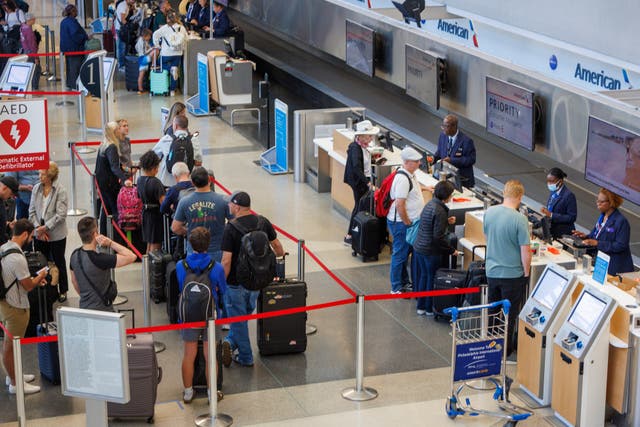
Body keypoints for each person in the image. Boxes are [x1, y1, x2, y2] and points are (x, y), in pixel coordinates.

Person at [221, 191, 285, 367]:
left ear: (237, 207)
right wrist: (280, 261)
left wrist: (220, 283)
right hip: (257, 280)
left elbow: (226, 261)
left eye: (230, 204)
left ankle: (245, 356)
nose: (228, 206)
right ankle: (231, 342)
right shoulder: (262, 222)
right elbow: (277, 246)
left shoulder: (230, 228)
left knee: (238, 319)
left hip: (235, 283)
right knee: (243, 315)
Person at [177, 226, 227, 404]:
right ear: (208, 244)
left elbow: (180, 285)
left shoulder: (180, 265)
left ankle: (188, 392)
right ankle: (211, 393)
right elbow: (223, 290)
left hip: (189, 316)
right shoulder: (217, 267)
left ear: (191, 244)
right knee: (210, 356)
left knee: (188, 355)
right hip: (210, 316)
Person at [483, 179, 531, 355]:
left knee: (493, 312)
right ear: (520, 197)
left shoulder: (490, 212)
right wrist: (526, 273)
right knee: (508, 316)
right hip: (512, 275)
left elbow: (487, 236)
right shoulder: (520, 219)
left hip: (492, 271)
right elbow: (525, 250)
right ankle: (505, 350)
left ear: (504, 193)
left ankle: (490, 346)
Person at [0, 219, 48, 395]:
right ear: (25, 234)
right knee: (10, 346)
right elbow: (27, 285)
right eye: (31, 236)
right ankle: (15, 383)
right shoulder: (18, 258)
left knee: (11, 344)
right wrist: (40, 275)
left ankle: (13, 375)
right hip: (16, 307)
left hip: (5, 303)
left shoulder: (4, 247)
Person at [69, 216, 137, 312]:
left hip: (84, 308)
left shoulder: (74, 255)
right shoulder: (101, 259)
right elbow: (131, 256)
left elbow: (74, 281)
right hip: (103, 310)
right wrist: (110, 243)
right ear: (95, 234)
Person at [413, 181, 458, 316]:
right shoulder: (440, 210)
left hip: (419, 247)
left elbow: (429, 224)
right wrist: (451, 250)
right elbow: (438, 237)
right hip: (430, 251)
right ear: (447, 196)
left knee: (424, 276)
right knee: (431, 278)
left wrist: (445, 221)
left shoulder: (430, 204)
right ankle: (428, 308)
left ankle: (421, 306)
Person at [28, 162, 70, 303]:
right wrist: (38, 229)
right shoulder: (36, 189)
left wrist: (45, 228)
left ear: (50, 176)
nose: (39, 176)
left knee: (59, 261)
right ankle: (46, 289)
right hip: (39, 234)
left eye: (42, 174)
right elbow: (31, 211)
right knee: (41, 262)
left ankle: (63, 290)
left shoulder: (60, 190)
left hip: (56, 234)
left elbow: (61, 214)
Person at [386, 146, 425, 294]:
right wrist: (407, 222)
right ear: (407, 162)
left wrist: (426, 189)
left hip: (406, 222)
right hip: (401, 223)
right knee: (400, 255)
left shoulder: (410, 175)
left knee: (403, 254)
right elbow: (400, 204)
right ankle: (396, 287)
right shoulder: (403, 179)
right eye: (416, 161)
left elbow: (413, 189)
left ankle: (403, 282)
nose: (419, 163)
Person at [172, 167, 231, 261]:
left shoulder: (184, 202)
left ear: (192, 182)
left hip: (194, 251)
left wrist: (190, 233)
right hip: (217, 250)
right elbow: (233, 223)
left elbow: (175, 228)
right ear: (209, 180)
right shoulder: (223, 200)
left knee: (194, 275)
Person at [573, 188, 634, 275]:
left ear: (611, 203)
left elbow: (620, 245)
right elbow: (596, 235)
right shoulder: (602, 216)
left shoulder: (621, 221)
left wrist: (597, 243)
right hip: (600, 262)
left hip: (615, 268)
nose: (598, 203)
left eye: (601, 202)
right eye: (597, 200)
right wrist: (586, 237)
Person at [343, 120, 377, 245]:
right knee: (358, 207)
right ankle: (350, 235)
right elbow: (357, 168)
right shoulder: (355, 149)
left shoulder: (361, 147)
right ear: (360, 136)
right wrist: (368, 183)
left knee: (359, 206)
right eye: (369, 136)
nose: (371, 138)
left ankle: (353, 233)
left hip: (361, 180)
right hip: (359, 182)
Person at [94, 121, 132, 235]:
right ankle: (117, 235)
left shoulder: (103, 144)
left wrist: (125, 169)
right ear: (114, 132)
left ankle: (104, 233)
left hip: (101, 182)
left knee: (105, 210)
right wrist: (125, 179)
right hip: (109, 184)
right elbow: (114, 167)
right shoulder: (112, 147)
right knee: (114, 210)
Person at [153, 114, 202, 186]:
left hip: (168, 182)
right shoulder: (194, 140)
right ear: (186, 126)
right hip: (188, 183)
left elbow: (153, 155)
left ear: (175, 126)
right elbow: (199, 162)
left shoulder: (167, 139)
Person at [434, 114, 476, 188]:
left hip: (461, 180)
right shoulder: (443, 136)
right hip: (446, 177)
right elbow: (439, 152)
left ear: (454, 127)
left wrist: (452, 160)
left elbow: (471, 160)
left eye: (446, 126)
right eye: (443, 125)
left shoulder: (467, 141)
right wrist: (433, 159)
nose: (443, 128)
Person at [152, 10, 187, 97]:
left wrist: (157, 45)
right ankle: (172, 91)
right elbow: (186, 39)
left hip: (166, 53)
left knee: (159, 65)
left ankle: (169, 69)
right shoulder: (182, 28)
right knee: (174, 69)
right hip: (178, 54)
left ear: (167, 19)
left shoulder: (164, 28)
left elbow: (155, 35)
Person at [137, 150, 166, 254]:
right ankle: (154, 266)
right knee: (156, 244)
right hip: (155, 216)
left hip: (145, 214)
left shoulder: (139, 180)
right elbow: (163, 203)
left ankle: (147, 266)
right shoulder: (155, 182)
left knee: (149, 242)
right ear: (154, 167)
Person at [540, 167, 577, 238]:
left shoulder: (569, 196)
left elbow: (572, 217)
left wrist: (551, 215)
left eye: (551, 181)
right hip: (551, 229)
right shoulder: (553, 191)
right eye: (548, 181)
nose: (549, 184)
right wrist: (546, 211)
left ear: (560, 182)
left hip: (562, 233)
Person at [59, 4, 88, 90]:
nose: (77, 12)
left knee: (70, 67)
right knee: (76, 67)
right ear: (72, 12)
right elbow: (75, 36)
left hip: (67, 49)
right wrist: (85, 37)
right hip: (75, 49)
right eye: (75, 10)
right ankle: (75, 86)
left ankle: (69, 84)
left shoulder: (64, 21)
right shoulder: (72, 22)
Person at [115, 0, 138, 68]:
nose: (134, 1)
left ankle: (124, 64)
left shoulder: (127, 5)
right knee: (122, 48)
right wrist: (130, 26)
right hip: (121, 29)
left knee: (125, 48)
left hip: (122, 29)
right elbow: (123, 20)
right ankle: (121, 65)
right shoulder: (123, 5)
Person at [19, 13, 40, 90]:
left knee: (29, 69)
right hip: (30, 52)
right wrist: (36, 57)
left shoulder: (22, 27)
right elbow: (32, 44)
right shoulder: (28, 29)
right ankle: (34, 87)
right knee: (36, 70)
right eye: (34, 19)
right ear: (29, 20)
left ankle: (30, 87)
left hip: (25, 51)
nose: (34, 20)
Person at [135, 28, 156, 94]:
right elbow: (144, 52)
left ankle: (140, 89)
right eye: (149, 36)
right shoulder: (141, 41)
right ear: (145, 35)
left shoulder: (142, 41)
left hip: (142, 58)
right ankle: (153, 65)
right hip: (143, 58)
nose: (149, 38)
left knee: (142, 74)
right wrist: (151, 49)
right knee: (141, 75)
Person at [0, 176, 19, 245]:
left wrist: (8, 225)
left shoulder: (2, 200)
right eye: (11, 193)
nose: (11, 197)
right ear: (5, 188)